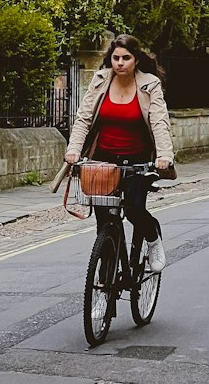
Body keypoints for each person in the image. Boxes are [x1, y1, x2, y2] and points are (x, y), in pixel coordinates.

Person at [63, 34, 175, 271]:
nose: (120, 63)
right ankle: (105, 282)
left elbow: (159, 122)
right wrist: (73, 149)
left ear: (136, 59)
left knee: (134, 210)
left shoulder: (149, 84)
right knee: (104, 220)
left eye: (126, 58)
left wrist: (164, 156)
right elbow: (84, 118)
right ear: (110, 59)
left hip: (138, 160)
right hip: (103, 159)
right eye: (116, 58)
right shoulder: (101, 80)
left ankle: (153, 239)